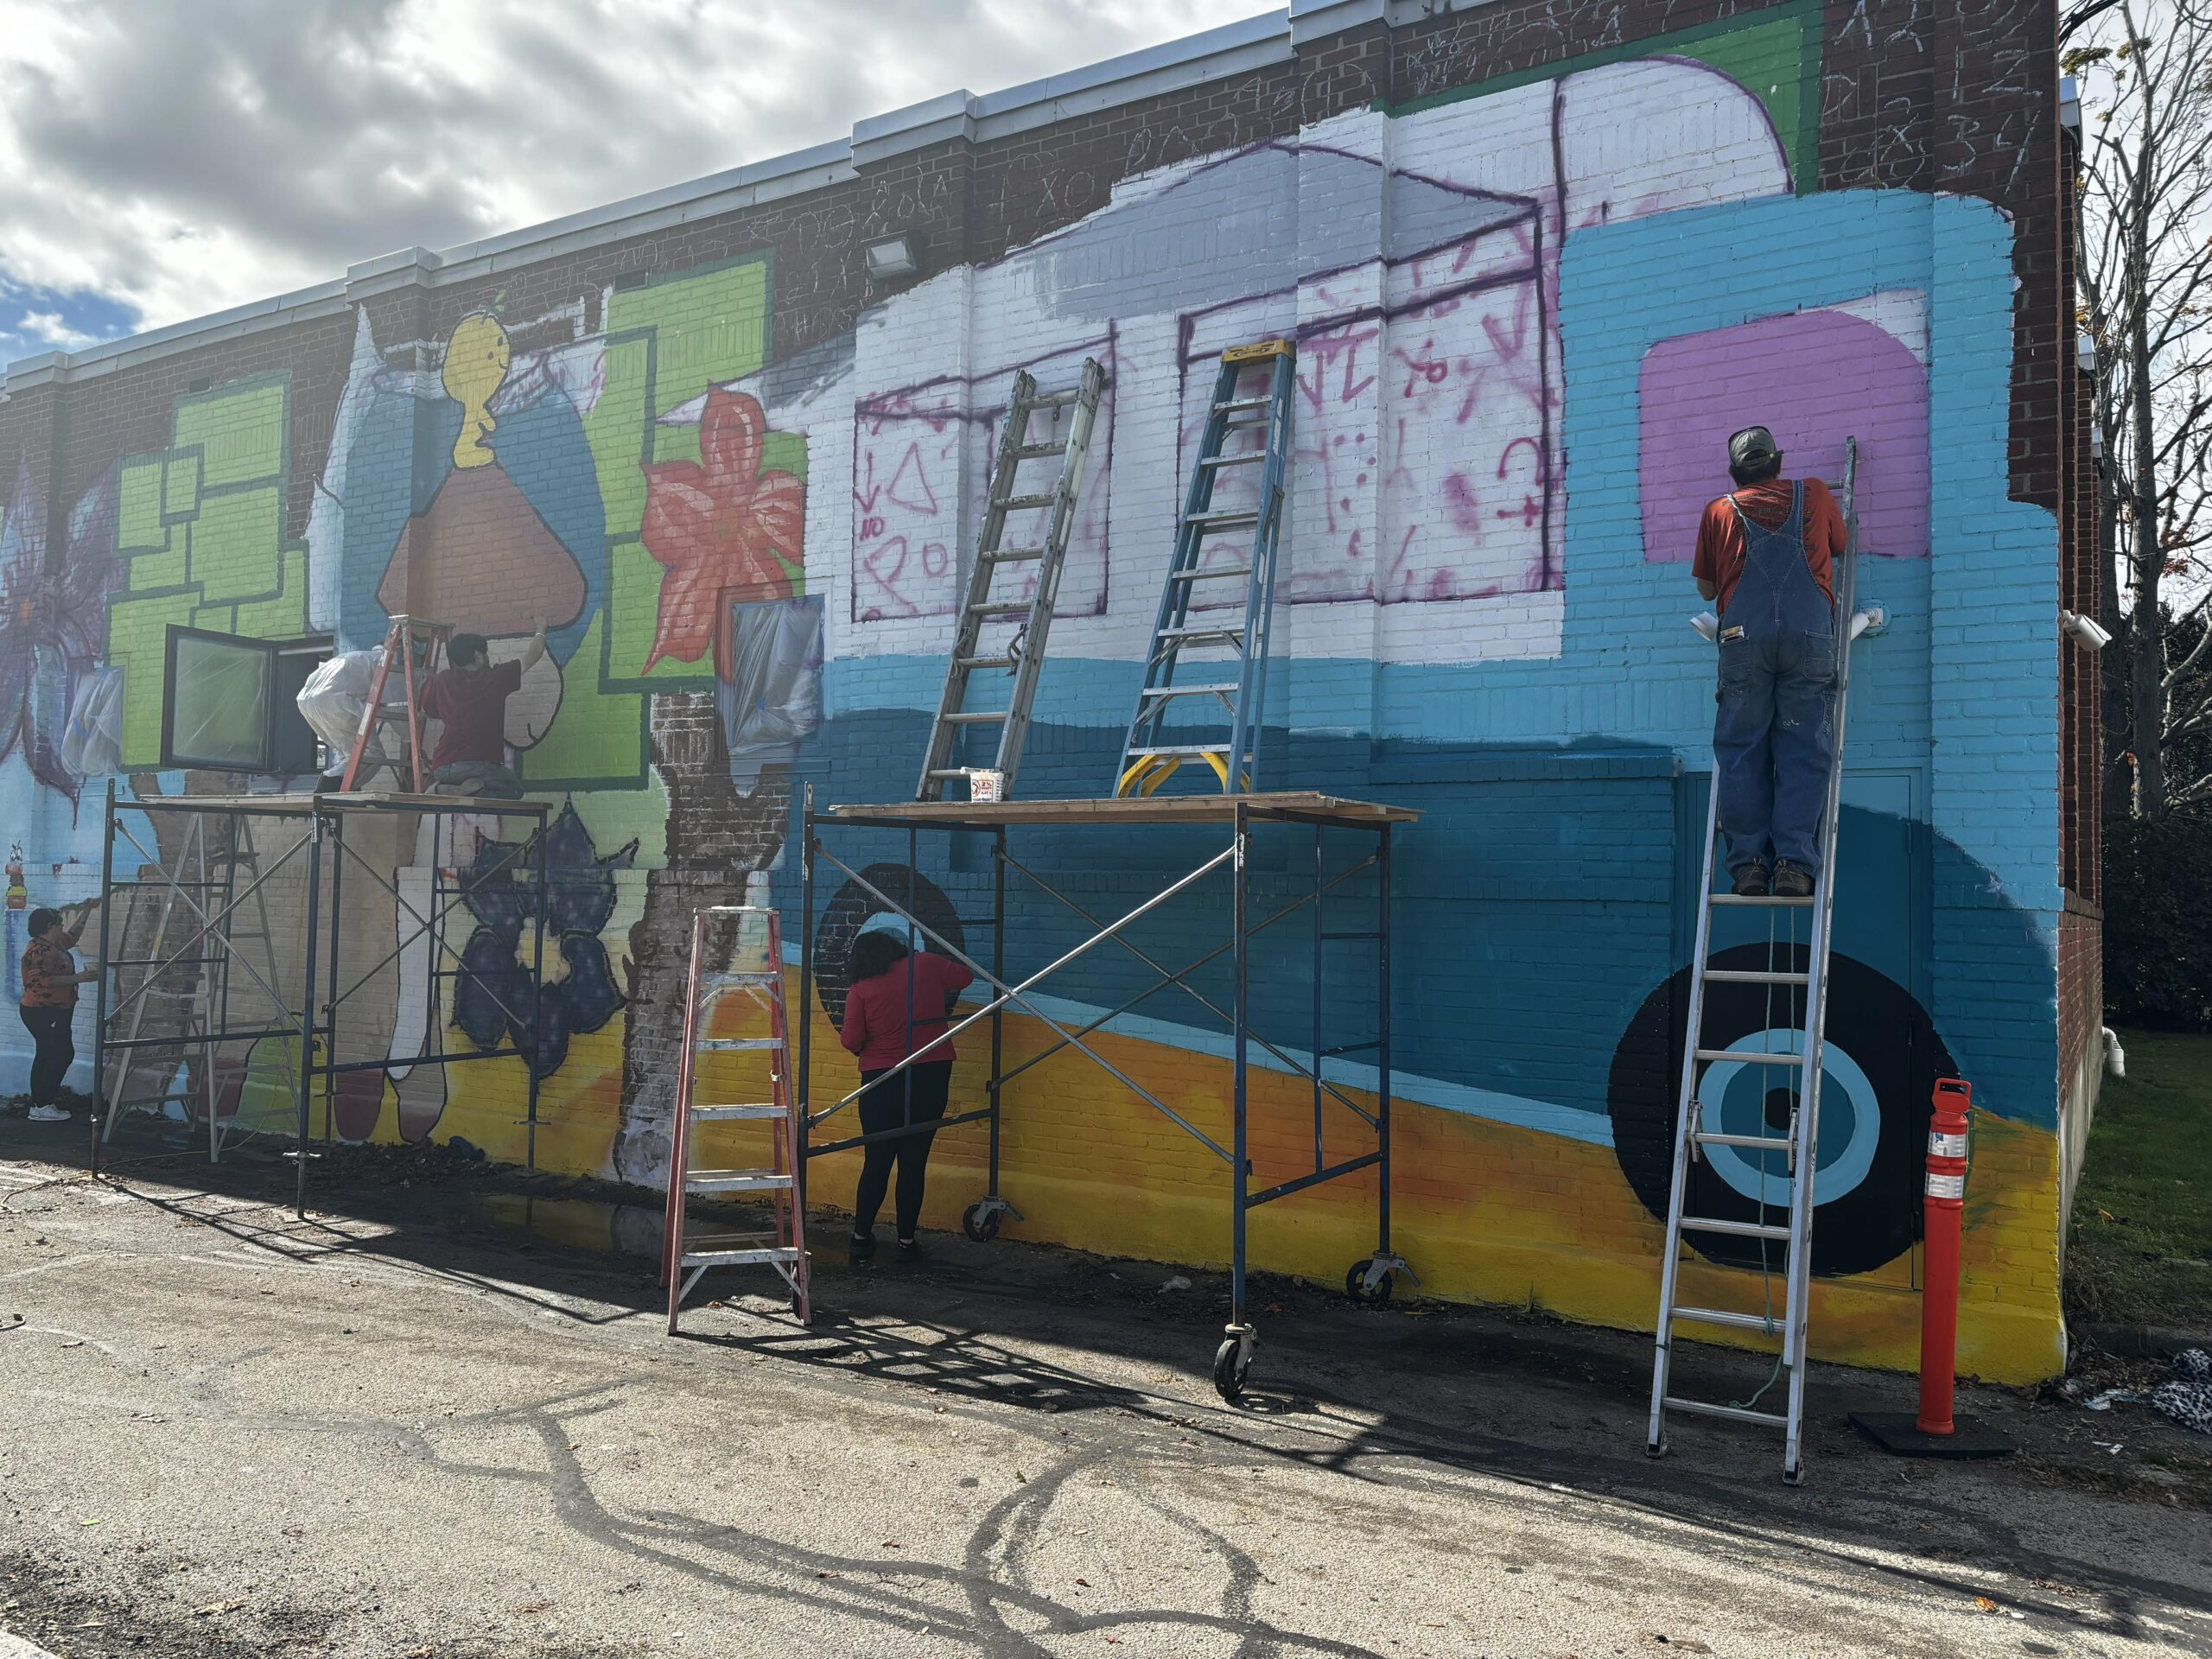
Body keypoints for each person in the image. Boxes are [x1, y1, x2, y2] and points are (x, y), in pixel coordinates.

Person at [1692, 426, 1849, 899]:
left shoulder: (1719, 510)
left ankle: (1750, 868)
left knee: (1742, 751)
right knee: (1805, 749)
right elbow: (1840, 545)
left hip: (1743, 640)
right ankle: (1794, 866)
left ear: (1735, 473)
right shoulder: (1815, 494)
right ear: (1777, 462)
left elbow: (1706, 589)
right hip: (1809, 638)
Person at [837, 927, 974, 1265]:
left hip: (881, 1078)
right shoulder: (926, 964)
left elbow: (851, 1040)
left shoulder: (861, 988)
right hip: (932, 1072)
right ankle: (906, 1242)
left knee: (877, 1161)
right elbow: (965, 978)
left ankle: (860, 1239)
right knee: (914, 1160)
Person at [418, 622, 545, 798]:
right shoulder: (495, 677)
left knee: (473, 787)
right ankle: (461, 791)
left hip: (442, 766)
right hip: (478, 766)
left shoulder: (443, 679)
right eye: (485, 653)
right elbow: (535, 654)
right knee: (515, 791)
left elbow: (430, 710)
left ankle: (443, 789)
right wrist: (541, 627)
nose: (487, 657)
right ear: (477, 655)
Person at [18, 906, 99, 1123]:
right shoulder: (39, 951)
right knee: (61, 1054)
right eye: (59, 923)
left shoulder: (55, 943)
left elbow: (72, 936)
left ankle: (39, 1103)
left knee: (46, 1054)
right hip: (42, 1010)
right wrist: (77, 978)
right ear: (49, 926)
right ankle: (41, 1105)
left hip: (56, 1009)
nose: (63, 926)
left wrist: (87, 911)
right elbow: (39, 980)